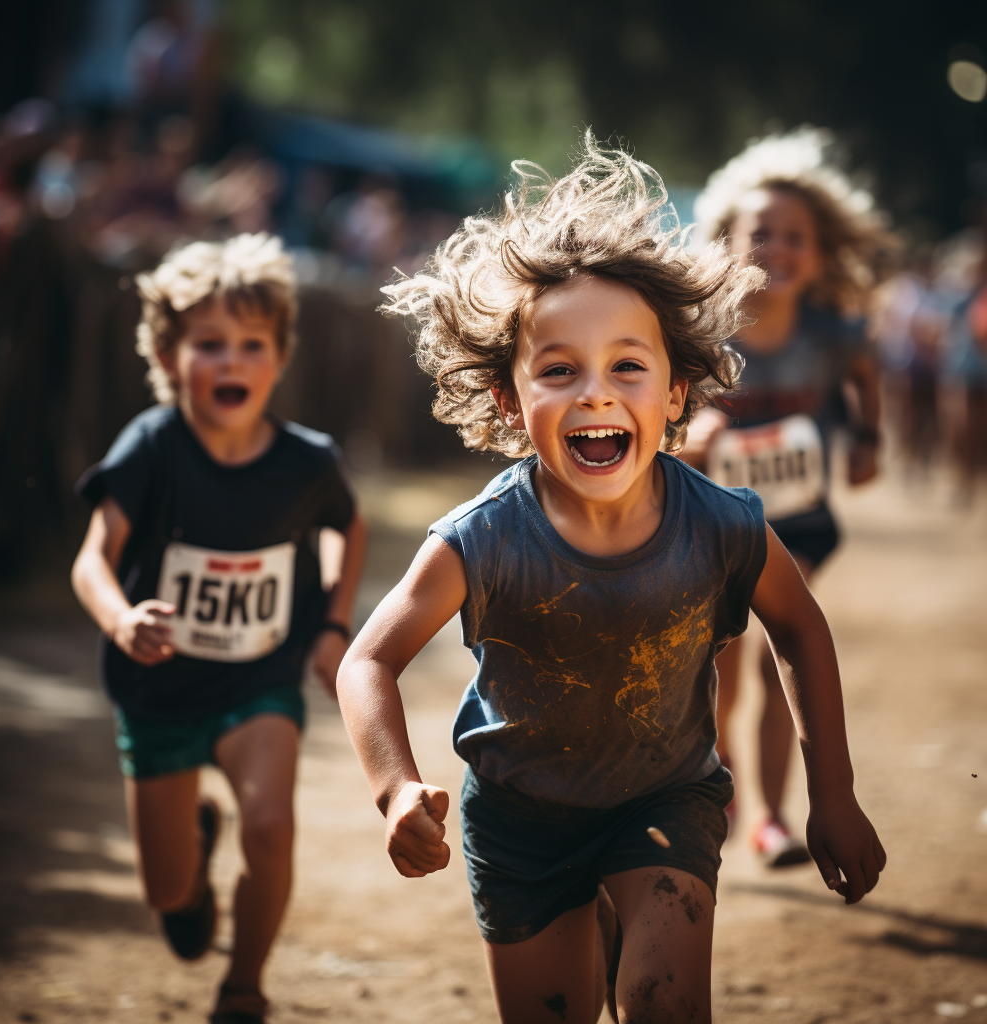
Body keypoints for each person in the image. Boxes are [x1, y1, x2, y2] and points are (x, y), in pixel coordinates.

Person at [335, 137, 885, 1024]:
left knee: (664, 1005)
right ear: (511, 401)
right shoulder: (482, 539)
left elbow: (801, 630)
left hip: (666, 800)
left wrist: (833, 796)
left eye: (628, 364)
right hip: (519, 825)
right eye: (558, 370)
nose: (595, 393)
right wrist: (396, 787)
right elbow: (367, 661)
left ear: (676, 393)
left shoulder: (723, 524)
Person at [71, 233, 367, 1024]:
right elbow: (93, 558)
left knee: (271, 824)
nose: (231, 362)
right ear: (168, 358)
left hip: (257, 680)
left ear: (279, 356)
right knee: (168, 896)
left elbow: (347, 526)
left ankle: (244, 988)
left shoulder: (308, 463)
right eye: (208, 345)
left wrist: (334, 621)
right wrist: (122, 616)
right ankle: (192, 855)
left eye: (251, 345)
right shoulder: (151, 446)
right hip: (157, 690)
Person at [683, 128, 893, 867]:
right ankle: (722, 788)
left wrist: (868, 439)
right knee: (721, 665)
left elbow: (866, 370)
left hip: (797, 522)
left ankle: (771, 816)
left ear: (822, 253)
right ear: (726, 241)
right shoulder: (700, 331)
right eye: (761, 231)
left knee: (781, 657)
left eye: (796, 236)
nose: (778, 246)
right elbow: (658, 411)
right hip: (710, 528)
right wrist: (689, 438)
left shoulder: (836, 334)